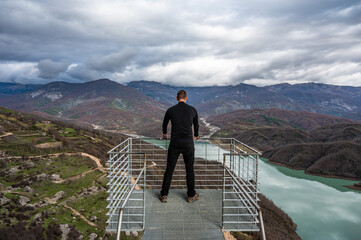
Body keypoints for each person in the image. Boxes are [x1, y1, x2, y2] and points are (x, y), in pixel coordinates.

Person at [159, 89, 200, 203]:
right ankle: (191, 195)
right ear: (186, 98)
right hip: (188, 143)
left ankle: (164, 195)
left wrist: (164, 134)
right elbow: (196, 125)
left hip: (175, 143)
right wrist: (196, 135)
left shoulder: (171, 110)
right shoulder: (192, 110)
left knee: (169, 169)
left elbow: (165, 123)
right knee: (189, 169)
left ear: (177, 98)